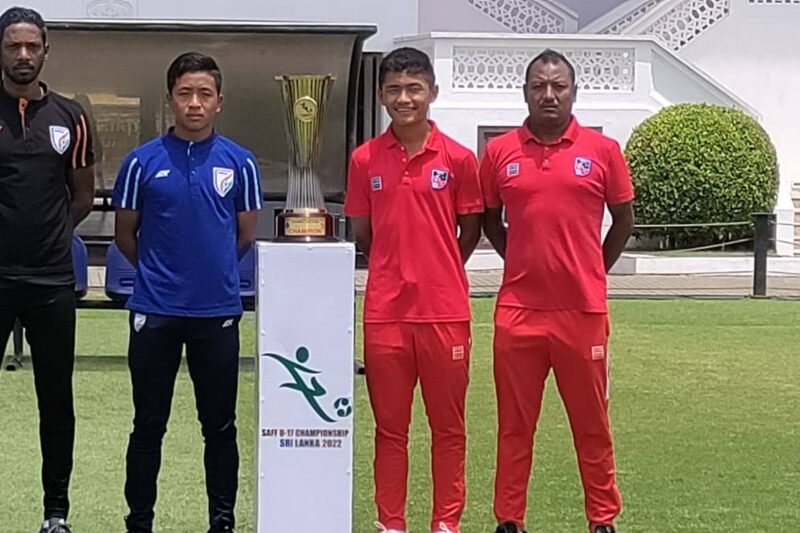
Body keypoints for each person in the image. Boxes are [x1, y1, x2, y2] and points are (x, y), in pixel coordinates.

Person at [480, 49, 635, 533]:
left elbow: (623, 221)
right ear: (525, 92)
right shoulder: (500, 152)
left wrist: (593, 270)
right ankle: (509, 519)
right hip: (518, 312)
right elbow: (490, 220)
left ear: (573, 92)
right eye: (539, 86)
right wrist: (521, 261)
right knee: (514, 425)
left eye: (558, 86)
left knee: (591, 425)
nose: (548, 94)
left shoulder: (603, 150)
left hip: (581, 312)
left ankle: (602, 518)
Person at [112, 51, 261, 533]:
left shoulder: (241, 162)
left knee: (219, 426)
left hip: (216, 312)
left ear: (219, 101)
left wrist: (207, 274)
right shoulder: (140, 162)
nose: (194, 103)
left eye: (204, 94)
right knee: (147, 425)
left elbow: (243, 235)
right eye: (185, 93)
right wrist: (162, 275)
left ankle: (222, 521)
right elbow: (125, 236)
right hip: (154, 311)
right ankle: (139, 522)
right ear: (170, 98)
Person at [344, 47, 484, 533]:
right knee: (390, 429)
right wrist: (397, 267)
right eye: (394, 90)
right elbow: (363, 233)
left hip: (445, 312)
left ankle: (445, 523)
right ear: (381, 96)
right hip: (385, 313)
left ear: (432, 92)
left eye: (414, 89)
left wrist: (437, 267)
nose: (404, 99)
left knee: (448, 429)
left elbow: (470, 230)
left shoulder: (460, 158)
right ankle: (392, 523)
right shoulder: (364, 159)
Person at [0, 7, 95, 533]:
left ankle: (55, 513)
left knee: (56, 401)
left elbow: (81, 195)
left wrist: (52, 236)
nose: (23, 55)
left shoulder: (71, 116)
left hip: (51, 281)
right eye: (13, 46)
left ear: (45, 51)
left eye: (31, 46)